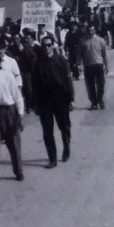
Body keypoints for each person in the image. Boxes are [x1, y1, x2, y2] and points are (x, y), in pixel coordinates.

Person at [31, 35, 74, 168]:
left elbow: (68, 81)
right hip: (45, 100)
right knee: (47, 131)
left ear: (53, 45)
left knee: (64, 127)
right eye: (44, 45)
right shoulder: (38, 63)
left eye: (49, 45)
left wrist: (71, 99)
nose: (47, 47)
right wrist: (35, 104)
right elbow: (35, 84)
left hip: (60, 98)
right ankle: (52, 158)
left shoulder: (61, 60)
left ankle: (66, 148)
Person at [0, 44, 26, 183]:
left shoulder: (7, 76)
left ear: (0, 63)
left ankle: (18, 171)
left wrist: (20, 114)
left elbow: (16, 95)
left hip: (9, 111)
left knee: (14, 143)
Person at [79, 25, 109, 110]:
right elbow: (79, 54)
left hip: (98, 65)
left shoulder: (101, 40)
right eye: (89, 30)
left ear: (95, 30)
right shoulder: (82, 41)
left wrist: (106, 66)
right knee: (90, 85)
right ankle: (94, 103)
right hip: (88, 65)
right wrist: (79, 64)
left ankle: (100, 100)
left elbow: (104, 54)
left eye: (92, 30)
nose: (90, 32)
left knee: (101, 84)